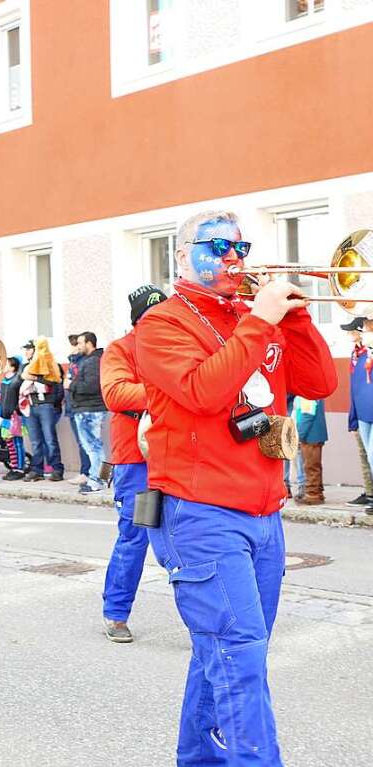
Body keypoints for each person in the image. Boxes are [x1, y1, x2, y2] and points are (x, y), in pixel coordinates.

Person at [135, 210, 336, 765]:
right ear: (181, 256)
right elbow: (204, 391)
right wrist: (259, 322)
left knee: (224, 655)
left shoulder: (256, 319)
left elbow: (319, 383)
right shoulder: (161, 324)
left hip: (263, 513)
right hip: (198, 514)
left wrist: (291, 320)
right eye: (217, 246)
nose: (233, 257)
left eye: (240, 247)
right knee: (239, 654)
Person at [100, 284, 167, 643]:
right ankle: (116, 612)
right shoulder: (120, 349)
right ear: (138, 321)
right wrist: (169, 391)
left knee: (192, 536)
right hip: (139, 461)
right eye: (150, 318)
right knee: (137, 535)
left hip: (178, 457)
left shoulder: (175, 344)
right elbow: (115, 393)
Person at [67, 331, 108, 494]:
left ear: (89, 343)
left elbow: (91, 386)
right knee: (96, 446)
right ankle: (102, 479)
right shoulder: (92, 360)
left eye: (80, 343)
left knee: (93, 447)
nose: (78, 346)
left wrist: (71, 385)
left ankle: (97, 481)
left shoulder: (92, 362)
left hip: (89, 410)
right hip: (90, 409)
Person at [20, 337, 65, 481]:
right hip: (31, 405)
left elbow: (55, 382)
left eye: (29, 349)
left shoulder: (51, 364)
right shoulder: (26, 367)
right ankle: (37, 470)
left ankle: (57, 469)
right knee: (35, 441)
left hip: (46, 405)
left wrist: (34, 378)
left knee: (50, 439)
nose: (27, 352)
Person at [346, 317, 373, 511]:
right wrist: (353, 418)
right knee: (369, 458)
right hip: (363, 414)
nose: (365, 333)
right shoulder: (357, 355)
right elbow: (355, 389)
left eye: (367, 330)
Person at [64, 334, 91, 484]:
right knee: (83, 442)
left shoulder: (85, 362)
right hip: (73, 407)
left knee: (90, 444)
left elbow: (82, 383)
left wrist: (70, 385)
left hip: (83, 407)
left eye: (77, 344)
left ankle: (90, 474)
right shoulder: (74, 361)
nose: (75, 348)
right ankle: (87, 472)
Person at [294, 396, 327, 505]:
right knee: (315, 465)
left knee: (310, 466)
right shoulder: (315, 393)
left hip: (310, 435)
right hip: (315, 434)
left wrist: (299, 435)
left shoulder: (307, 394)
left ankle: (312, 494)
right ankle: (318, 492)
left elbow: (307, 415)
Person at [0, 356, 25, 480]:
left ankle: (19, 469)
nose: (4, 366)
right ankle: (13, 467)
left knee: (17, 443)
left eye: (6, 364)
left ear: (13, 366)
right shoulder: (4, 381)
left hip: (15, 417)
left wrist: (17, 410)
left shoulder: (17, 380)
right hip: (5, 418)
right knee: (10, 444)